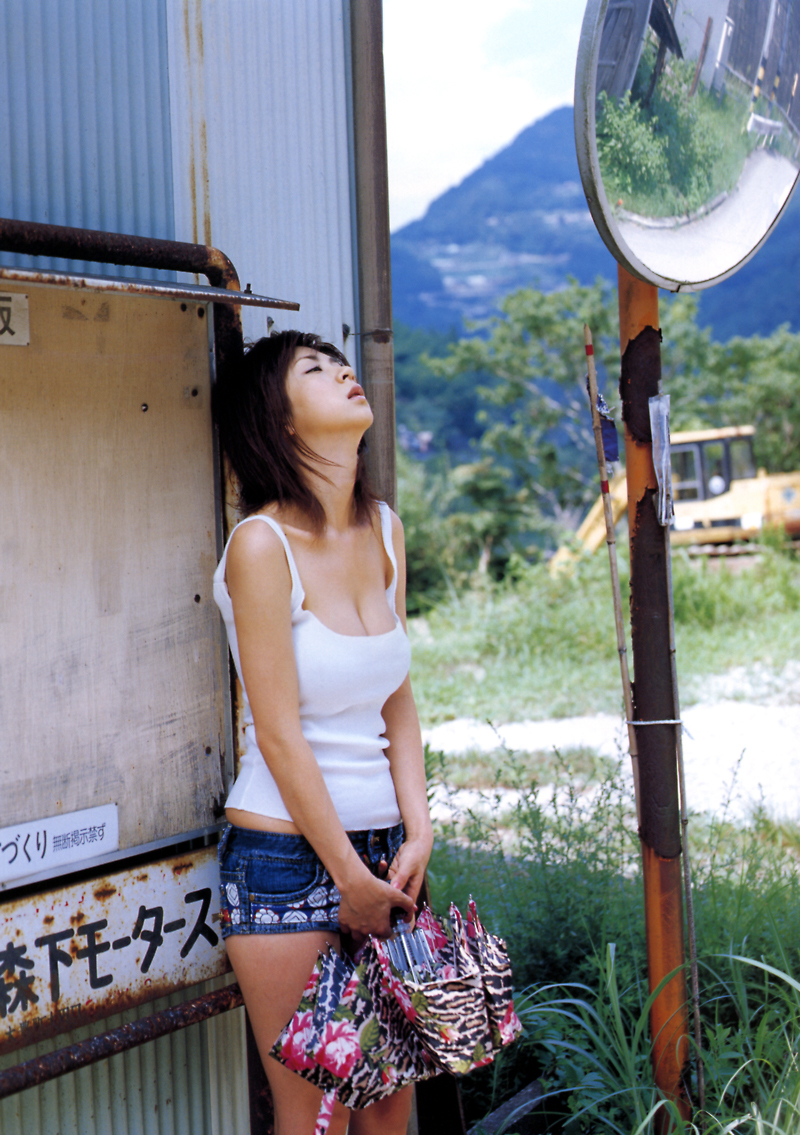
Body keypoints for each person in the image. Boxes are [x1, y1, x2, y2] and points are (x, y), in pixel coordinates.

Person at [212, 330, 433, 1135]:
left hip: (386, 853)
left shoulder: (385, 528)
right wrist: (348, 875)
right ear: (279, 419)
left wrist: (419, 830)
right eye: (315, 368)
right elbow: (277, 733)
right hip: (286, 861)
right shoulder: (260, 545)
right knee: (318, 1120)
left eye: (339, 360)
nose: (343, 371)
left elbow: (397, 701)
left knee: (390, 1111)